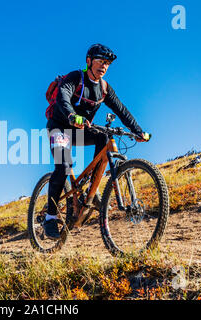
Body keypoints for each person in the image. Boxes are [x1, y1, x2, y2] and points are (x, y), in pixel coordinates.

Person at [44, 43, 151, 239]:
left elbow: (121, 110)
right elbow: (62, 97)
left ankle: (92, 191)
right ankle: (50, 217)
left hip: (80, 129)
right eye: (100, 61)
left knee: (104, 136)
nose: (104, 66)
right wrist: (71, 116)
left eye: (107, 63)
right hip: (60, 127)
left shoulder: (104, 88)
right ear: (89, 61)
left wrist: (138, 131)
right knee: (63, 167)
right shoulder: (76, 78)